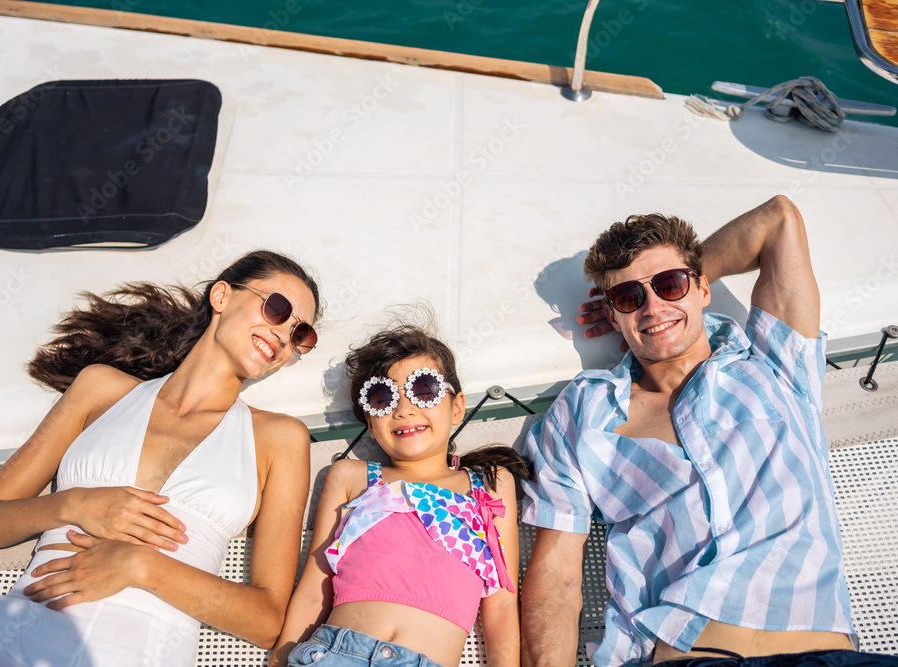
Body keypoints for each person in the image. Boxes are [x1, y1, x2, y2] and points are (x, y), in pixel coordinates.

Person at [521, 197, 898, 666]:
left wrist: (679, 277)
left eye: (670, 284)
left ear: (703, 288)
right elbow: (557, 574)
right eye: (628, 298)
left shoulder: (776, 364)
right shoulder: (583, 412)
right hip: (687, 656)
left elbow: (778, 218)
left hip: (825, 655)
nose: (652, 307)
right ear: (613, 314)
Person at [0, 250, 320, 666]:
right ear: (222, 296)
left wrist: (142, 565)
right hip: (13, 644)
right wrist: (76, 503)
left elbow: (267, 621)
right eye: (277, 309)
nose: (285, 335)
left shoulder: (279, 438)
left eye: (302, 334)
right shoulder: (99, 390)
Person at [271, 325, 529, 667]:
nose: (404, 409)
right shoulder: (352, 476)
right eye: (382, 398)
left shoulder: (490, 484)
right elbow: (312, 590)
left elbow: (501, 604)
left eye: (424, 389)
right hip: (333, 655)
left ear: (456, 407)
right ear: (370, 419)